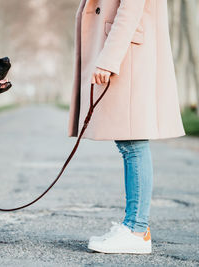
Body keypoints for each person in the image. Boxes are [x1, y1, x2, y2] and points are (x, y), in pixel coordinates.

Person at [68, 0, 185, 254]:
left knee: (133, 142)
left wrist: (108, 59)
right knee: (129, 141)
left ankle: (136, 230)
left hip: (127, 53)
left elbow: (131, 8)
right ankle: (133, 226)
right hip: (127, 50)